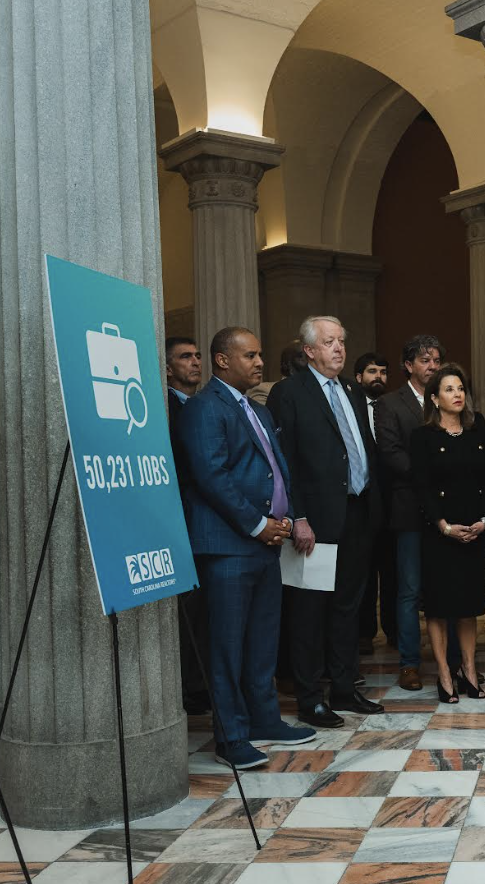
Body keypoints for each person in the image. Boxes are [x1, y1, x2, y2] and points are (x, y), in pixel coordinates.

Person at [175, 326, 315, 769]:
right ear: (223, 360)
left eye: (259, 355)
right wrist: (257, 524)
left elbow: (277, 468)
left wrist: (287, 517)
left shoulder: (255, 408)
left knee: (261, 641)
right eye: (250, 355)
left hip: (266, 543)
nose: (260, 362)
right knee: (227, 645)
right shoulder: (203, 408)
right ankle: (231, 736)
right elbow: (211, 476)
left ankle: (263, 718)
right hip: (228, 546)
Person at [267, 316, 385, 728]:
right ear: (309, 350)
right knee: (309, 612)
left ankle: (344, 687)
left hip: (357, 513)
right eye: (330, 342)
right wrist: (297, 516)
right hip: (314, 522)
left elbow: (363, 449)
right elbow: (283, 461)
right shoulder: (289, 393)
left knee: (348, 607)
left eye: (342, 341)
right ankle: (309, 698)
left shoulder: (352, 390)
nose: (339, 348)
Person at [410, 363, 485, 703]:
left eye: (460, 388)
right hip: (439, 533)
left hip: (473, 531)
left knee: (468, 605)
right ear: (434, 398)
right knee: (439, 606)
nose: (457, 394)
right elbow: (422, 487)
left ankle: (469, 669)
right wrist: (443, 526)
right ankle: (444, 672)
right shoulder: (423, 436)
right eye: (449, 389)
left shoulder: (476, 429)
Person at [374, 334, 444, 691]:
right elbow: (391, 453)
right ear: (408, 365)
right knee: (409, 589)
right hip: (409, 508)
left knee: (445, 586)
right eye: (425, 360)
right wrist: (430, 476)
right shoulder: (389, 404)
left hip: (446, 508)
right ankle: (410, 664)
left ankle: (451, 661)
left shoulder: (447, 396)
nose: (432, 366)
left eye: (436, 360)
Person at [165, 335, 210, 717]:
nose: (195, 362)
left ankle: (201, 684)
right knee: (187, 611)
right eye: (185, 357)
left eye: (197, 356)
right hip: (179, 521)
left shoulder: (202, 405)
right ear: (167, 368)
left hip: (205, 521)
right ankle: (189, 688)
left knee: (203, 610)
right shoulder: (164, 408)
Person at [354, 351, 397, 655]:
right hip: (364, 504)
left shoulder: (391, 407)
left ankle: (395, 631)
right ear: (359, 377)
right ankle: (364, 633)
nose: (378, 377)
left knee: (393, 573)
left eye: (382, 371)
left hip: (393, 502)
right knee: (365, 573)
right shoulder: (352, 407)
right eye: (372, 371)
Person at [249, 340, 307, 406]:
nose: (308, 361)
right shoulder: (264, 390)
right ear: (286, 364)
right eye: (301, 356)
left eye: (309, 356)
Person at [166, 335, 203, 403]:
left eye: (198, 357)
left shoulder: (208, 401)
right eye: (186, 357)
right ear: (168, 370)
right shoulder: (161, 404)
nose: (196, 363)